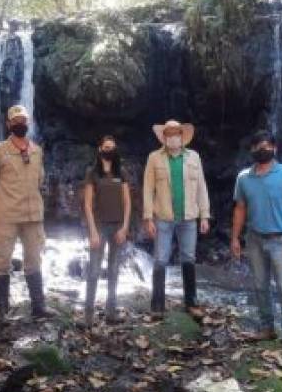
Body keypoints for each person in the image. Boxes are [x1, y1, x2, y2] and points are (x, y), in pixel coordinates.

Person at [230, 130, 282, 351]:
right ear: (251, 150)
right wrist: (235, 238)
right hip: (254, 238)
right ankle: (267, 328)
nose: (263, 149)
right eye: (258, 146)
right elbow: (240, 209)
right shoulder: (244, 178)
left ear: (275, 148)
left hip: (281, 239)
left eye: (267, 145)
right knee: (260, 286)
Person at [0, 105, 53, 321]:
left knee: (34, 259)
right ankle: (2, 309)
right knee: (3, 260)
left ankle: (38, 306)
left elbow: (40, 180)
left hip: (33, 216)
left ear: (28, 123)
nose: (20, 124)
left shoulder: (37, 151)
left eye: (23, 120)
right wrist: (5, 200)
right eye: (15, 121)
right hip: (7, 216)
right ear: (8, 124)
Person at [143, 120, 210, 316]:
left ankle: (191, 302)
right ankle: (157, 306)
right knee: (160, 259)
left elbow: (201, 187)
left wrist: (204, 216)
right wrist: (148, 217)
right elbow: (148, 188)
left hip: (189, 217)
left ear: (182, 136)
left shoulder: (193, 157)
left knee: (189, 258)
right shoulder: (154, 158)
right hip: (163, 217)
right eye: (169, 133)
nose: (173, 137)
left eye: (176, 133)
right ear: (164, 137)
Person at [82, 135, 131, 327]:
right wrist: (93, 231)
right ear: (99, 149)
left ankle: (111, 312)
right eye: (107, 147)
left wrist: (125, 227)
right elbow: (87, 205)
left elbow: (127, 203)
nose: (110, 150)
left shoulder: (122, 172)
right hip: (100, 227)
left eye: (113, 147)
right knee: (93, 271)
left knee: (114, 271)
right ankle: (88, 315)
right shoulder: (92, 173)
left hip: (118, 226)